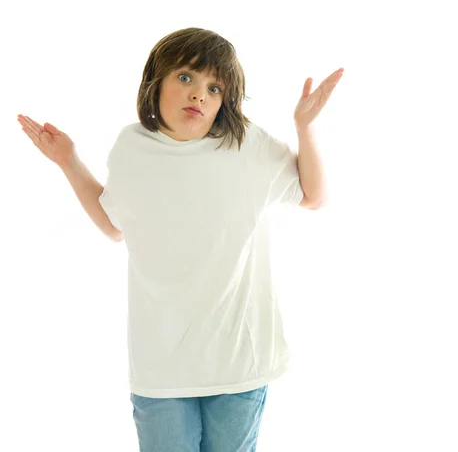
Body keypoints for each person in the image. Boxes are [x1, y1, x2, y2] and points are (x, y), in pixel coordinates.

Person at [17, 27, 343, 452]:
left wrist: (304, 128)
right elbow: (115, 224)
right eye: (186, 77)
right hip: (161, 366)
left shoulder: (246, 146)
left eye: (214, 87)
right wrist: (68, 160)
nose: (199, 95)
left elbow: (313, 197)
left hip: (238, 361)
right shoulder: (131, 147)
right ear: (157, 82)